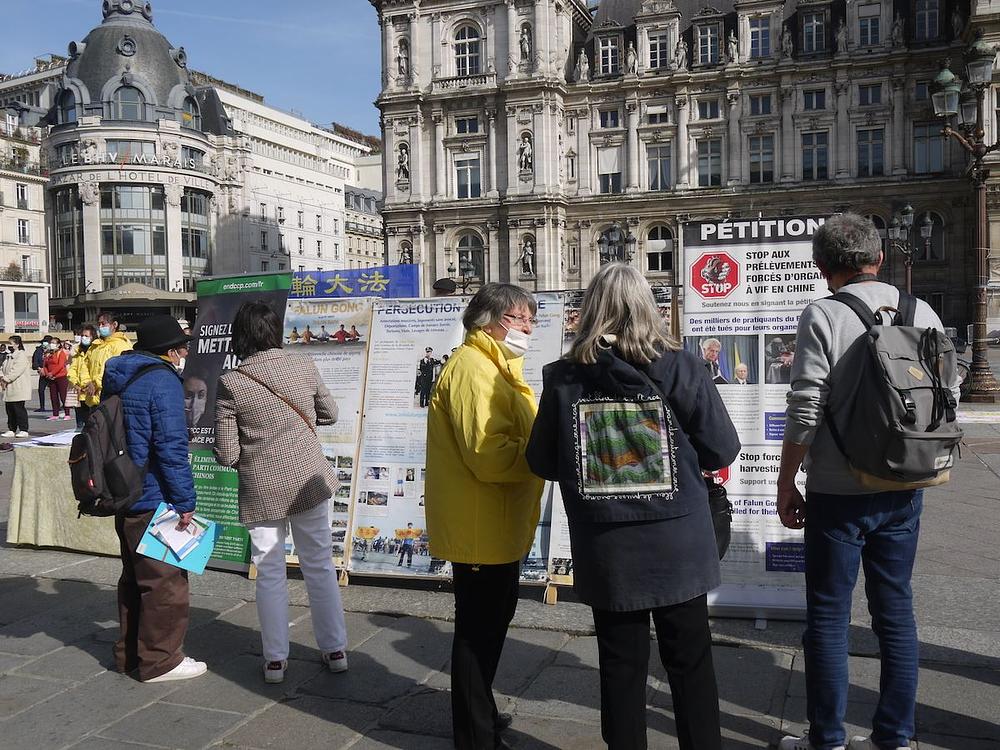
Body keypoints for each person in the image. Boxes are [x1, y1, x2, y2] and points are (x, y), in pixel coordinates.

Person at [525, 263, 740, 750]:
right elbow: (722, 448)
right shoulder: (680, 365)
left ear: (592, 309)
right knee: (690, 662)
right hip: (677, 542)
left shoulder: (564, 376)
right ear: (649, 308)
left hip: (608, 546)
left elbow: (541, 460)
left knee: (621, 667)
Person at [776, 213, 959, 750]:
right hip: (905, 481)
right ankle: (895, 737)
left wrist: (787, 480)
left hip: (838, 488)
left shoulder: (823, 314)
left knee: (830, 615)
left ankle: (828, 738)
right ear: (878, 258)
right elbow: (948, 384)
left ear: (821, 265)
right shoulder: (919, 309)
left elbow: (806, 405)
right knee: (896, 611)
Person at [425, 283, 545, 750]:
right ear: (488, 321)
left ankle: (483, 714)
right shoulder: (475, 368)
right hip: (480, 525)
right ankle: (474, 737)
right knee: (478, 634)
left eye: (529, 319)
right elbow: (487, 452)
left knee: (491, 627)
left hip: (496, 522)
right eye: (520, 318)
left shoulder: (496, 364)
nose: (528, 327)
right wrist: (541, 452)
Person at [213, 301, 348, 685]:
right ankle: (335, 650)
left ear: (239, 335)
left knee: (270, 571)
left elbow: (227, 453)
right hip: (308, 479)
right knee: (319, 564)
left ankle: (275, 660)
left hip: (261, 487)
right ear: (275, 331)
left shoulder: (232, 381)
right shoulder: (302, 365)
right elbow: (331, 413)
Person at [102, 315, 205, 683]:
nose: (184, 352)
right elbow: (170, 447)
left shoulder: (118, 372)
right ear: (171, 350)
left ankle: (129, 655)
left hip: (122, 490)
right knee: (165, 582)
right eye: (182, 346)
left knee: (133, 578)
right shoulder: (162, 381)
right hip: (153, 496)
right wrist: (185, 500)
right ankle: (161, 661)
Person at [79, 311, 133, 411]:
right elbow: (84, 365)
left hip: (110, 400)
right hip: (92, 399)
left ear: (114, 325)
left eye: (103, 324)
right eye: (99, 324)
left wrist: (96, 383)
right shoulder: (95, 345)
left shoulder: (121, 345)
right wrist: (87, 382)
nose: (100, 327)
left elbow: (119, 371)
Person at [1, 336, 32, 438]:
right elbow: (3, 367)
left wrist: (6, 379)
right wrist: (2, 376)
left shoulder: (21, 356)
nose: (9, 345)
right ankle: (12, 429)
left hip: (18, 387)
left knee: (19, 408)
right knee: (9, 409)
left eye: (11, 343)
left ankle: (23, 429)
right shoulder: (9, 356)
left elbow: (16, 370)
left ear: (17, 344)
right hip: (9, 388)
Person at [68, 324, 98, 427]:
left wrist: (89, 384)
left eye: (86, 336)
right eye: (82, 336)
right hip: (79, 393)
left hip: (92, 393)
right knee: (80, 424)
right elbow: (72, 369)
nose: (83, 338)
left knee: (92, 424)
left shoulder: (96, 351)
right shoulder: (78, 352)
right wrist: (75, 383)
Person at [41, 336, 72, 421]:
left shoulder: (61, 353)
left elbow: (60, 365)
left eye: (54, 343)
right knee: (53, 396)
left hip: (61, 377)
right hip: (51, 378)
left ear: (58, 344)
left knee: (63, 396)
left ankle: (67, 413)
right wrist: (47, 374)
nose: (52, 344)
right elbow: (45, 365)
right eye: (51, 343)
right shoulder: (49, 353)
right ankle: (55, 414)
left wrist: (52, 373)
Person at [32, 335, 51, 413]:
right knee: (41, 390)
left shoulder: (53, 350)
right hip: (42, 373)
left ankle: (61, 405)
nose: (45, 343)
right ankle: (42, 406)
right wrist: (39, 368)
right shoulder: (38, 350)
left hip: (52, 373)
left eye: (47, 342)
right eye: (44, 342)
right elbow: (34, 362)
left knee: (56, 391)